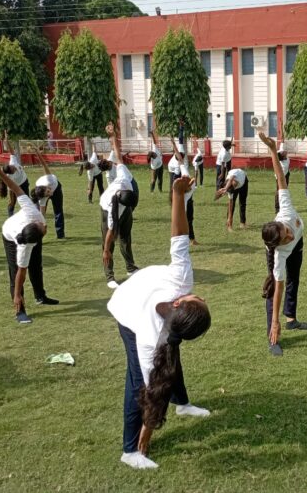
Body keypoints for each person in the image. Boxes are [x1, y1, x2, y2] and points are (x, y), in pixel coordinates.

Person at [107, 174, 211, 470]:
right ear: (178, 304)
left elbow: (179, 237)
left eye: (199, 299)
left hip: (146, 301)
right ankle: (130, 450)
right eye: (199, 299)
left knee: (169, 358)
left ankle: (182, 404)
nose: (200, 295)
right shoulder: (151, 336)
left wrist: (179, 194)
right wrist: (147, 432)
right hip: (128, 309)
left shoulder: (180, 287)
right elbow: (151, 390)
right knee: (139, 381)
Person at [259, 130, 307, 357]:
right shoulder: (278, 254)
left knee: (295, 279)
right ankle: (274, 336)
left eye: (286, 231)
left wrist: (272, 149)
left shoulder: (286, 210)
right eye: (285, 238)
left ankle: (291, 319)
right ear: (279, 244)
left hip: (299, 248)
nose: (289, 234)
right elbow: (279, 289)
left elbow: (280, 178)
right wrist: (274, 322)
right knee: (275, 288)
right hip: (284, 255)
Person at [0, 160, 58, 324]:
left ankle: (40, 296)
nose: (45, 226)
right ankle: (20, 310)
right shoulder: (26, 245)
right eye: (44, 229)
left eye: (42, 226)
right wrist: (17, 294)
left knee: (36, 265)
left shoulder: (32, 211)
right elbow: (20, 273)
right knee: (14, 270)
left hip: (24, 233)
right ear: (36, 238)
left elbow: (16, 188)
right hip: (9, 235)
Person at [101, 123, 139, 289]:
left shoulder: (124, 178)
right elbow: (111, 231)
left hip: (123, 204)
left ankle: (131, 268)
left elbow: (118, 155)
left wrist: (113, 135)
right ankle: (110, 276)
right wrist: (106, 250)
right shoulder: (113, 207)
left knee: (126, 237)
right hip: (105, 208)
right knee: (109, 243)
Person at [32, 144, 65, 239]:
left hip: (57, 187)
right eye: (48, 194)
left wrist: (38, 153)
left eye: (48, 191)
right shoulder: (42, 198)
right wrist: (43, 225)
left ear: (47, 188)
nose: (50, 194)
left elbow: (43, 164)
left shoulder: (49, 179)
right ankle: (38, 235)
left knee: (58, 211)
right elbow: (42, 214)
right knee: (39, 213)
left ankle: (60, 235)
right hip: (42, 190)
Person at [171, 137, 199, 245]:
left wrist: (174, 145)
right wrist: (192, 181)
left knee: (190, 220)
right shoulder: (184, 197)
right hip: (184, 204)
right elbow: (188, 186)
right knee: (184, 222)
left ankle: (192, 239)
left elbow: (180, 158)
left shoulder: (184, 173)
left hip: (189, 201)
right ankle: (183, 241)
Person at [0, 133, 30, 217]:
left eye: (12, 167)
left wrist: (7, 141)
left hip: (24, 182)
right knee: (12, 202)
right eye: (13, 170)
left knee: (27, 199)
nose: (14, 168)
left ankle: (27, 214)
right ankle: (10, 216)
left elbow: (12, 152)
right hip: (14, 186)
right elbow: (7, 183)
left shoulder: (13, 162)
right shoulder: (9, 177)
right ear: (10, 173)